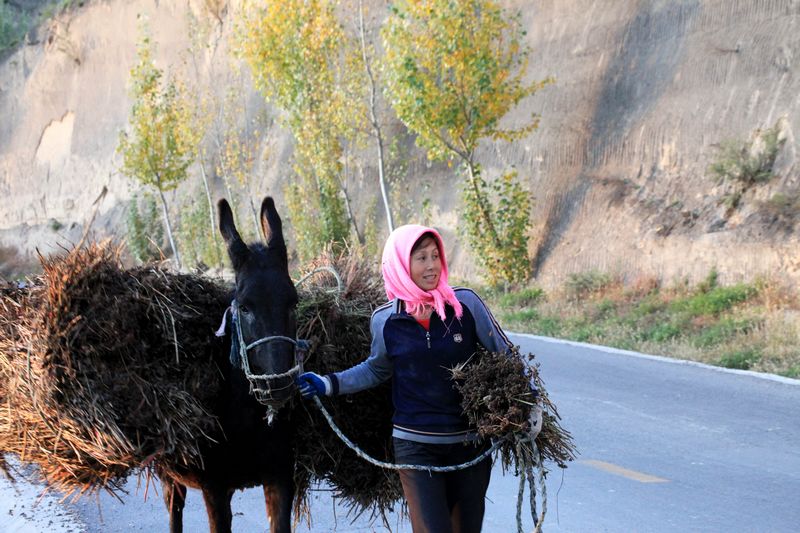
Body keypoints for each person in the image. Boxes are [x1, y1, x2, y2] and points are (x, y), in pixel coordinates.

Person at [296, 224, 541, 533]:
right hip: (415, 446)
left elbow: (504, 353)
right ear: (401, 265)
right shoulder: (385, 320)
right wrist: (329, 383)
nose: (431, 266)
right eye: (421, 258)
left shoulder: (465, 305)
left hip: (470, 444)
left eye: (435, 256)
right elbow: (376, 369)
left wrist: (530, 401)